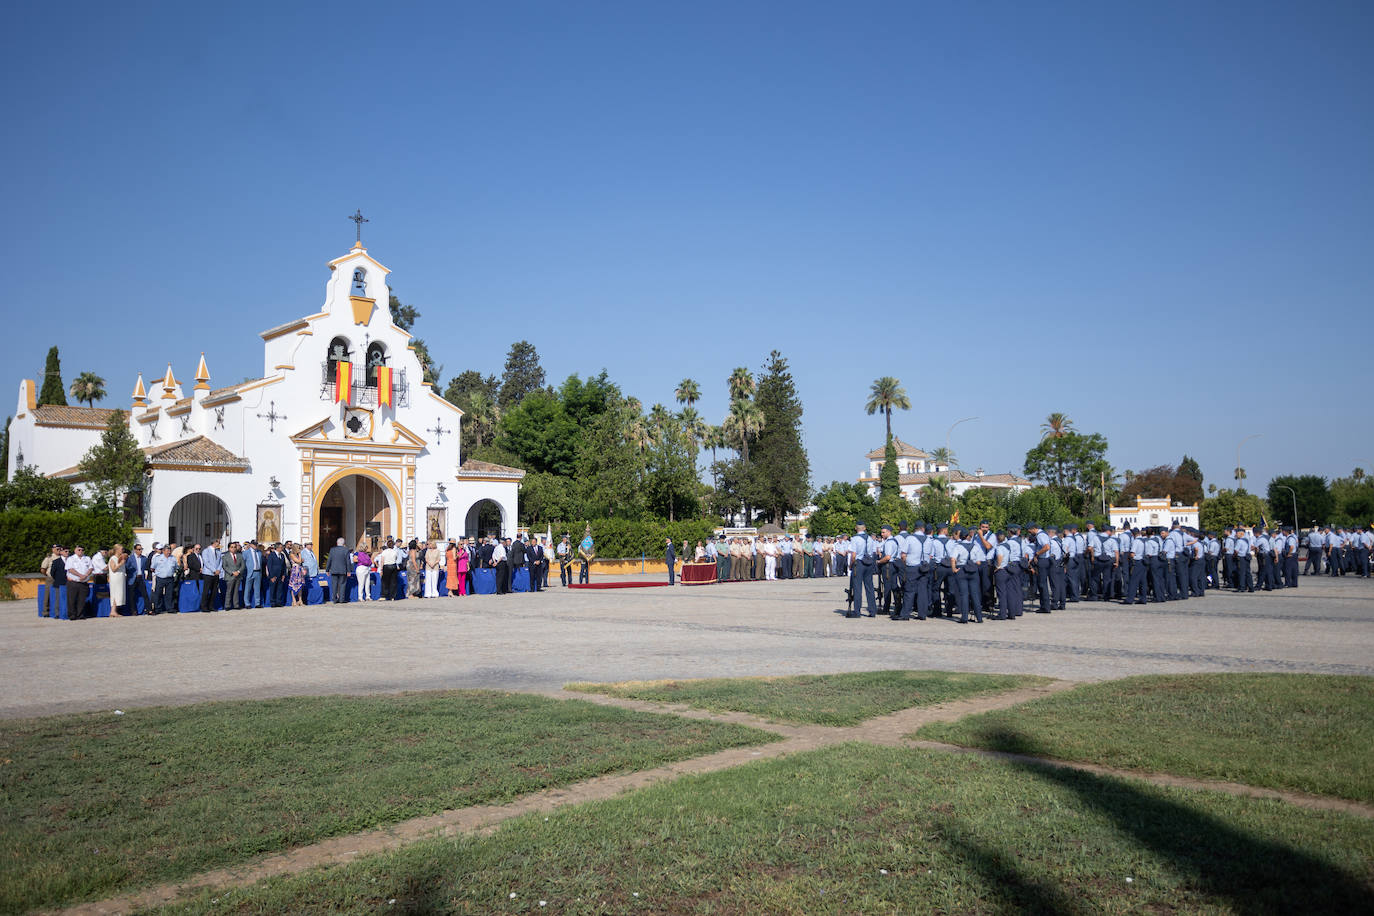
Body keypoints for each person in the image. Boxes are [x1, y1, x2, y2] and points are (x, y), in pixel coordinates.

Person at [152, 544, 178, 614]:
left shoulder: (173, 558)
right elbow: (152, 568)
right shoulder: (157, 558)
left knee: (169, 594)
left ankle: (170, 608)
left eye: (170, 550)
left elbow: (176, 567)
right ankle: (157, 608)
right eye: (167, 551)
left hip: (170, 578)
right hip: (160, 578)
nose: (169, 552)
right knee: (158, 594)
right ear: (163, 551)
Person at [126, 544, 151, 615]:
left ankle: (149, 609)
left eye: (141, 549)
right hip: (133, 578)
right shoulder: (130, 558)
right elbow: (127, 567)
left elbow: (146, 567)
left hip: (141, 578)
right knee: (132, 595)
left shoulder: (144, 558)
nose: (141, 551)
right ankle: (133, 610)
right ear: (135, 550)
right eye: (139, 549)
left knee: (145, 594)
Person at [326, 537, 351, 603]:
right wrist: (349, 571)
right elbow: (348, 561)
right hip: (343, 570)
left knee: (334, 585)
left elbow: (329, 560)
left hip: (334, 569)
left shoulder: (332, 550)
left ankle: (334, 599)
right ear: (343, 543)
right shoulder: (346, 550)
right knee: (342, 585)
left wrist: (327, 569)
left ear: (337, 543)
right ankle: (341, 599)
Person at [200, 539, 223, 612]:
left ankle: (211, 606)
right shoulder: (206, 551)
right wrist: (214, 570)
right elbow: (206, 562)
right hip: (208, 573)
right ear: (214, 543)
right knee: (206, 591)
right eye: (218, 542)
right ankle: (204, 606)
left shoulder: (218, 552)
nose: (219, 544)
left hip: (216, 574)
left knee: (214, 591)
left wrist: (218, 570)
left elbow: (220, 561)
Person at [105, 544, 128, 617]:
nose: (122, 551)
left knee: (119, 594)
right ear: (117, 550)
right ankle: (113, 611)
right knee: (115, 594)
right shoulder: (113, 558)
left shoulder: (120, 558)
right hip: (115, 579)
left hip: (120, 578)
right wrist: (120, 564)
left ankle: (114, 611)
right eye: (121, 549)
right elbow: (113, 569)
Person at [222, 542, 244, 609]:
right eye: (232, 547)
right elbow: (224, 566)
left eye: (235, 547)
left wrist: (238, 571)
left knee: (236, 591)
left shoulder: (240, 555)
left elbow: (243, 565)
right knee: (229, 591)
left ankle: (236, 605)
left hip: (238, 576)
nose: (233, 548)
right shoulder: (225, 556)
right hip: (230, 576)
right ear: (229, 548)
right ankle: (227, 605)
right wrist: (232, 572)